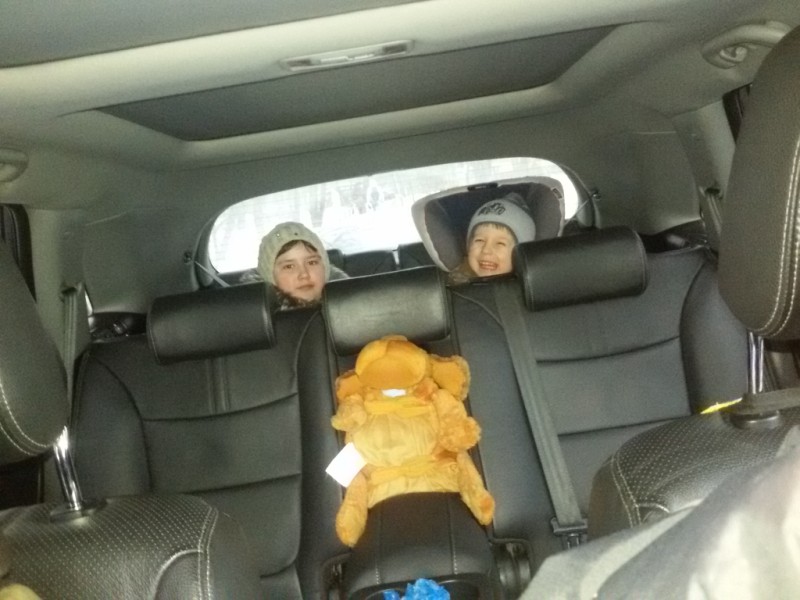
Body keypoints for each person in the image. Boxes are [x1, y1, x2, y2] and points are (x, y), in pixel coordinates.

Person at [254, 221, 347, 310]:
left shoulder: (348, 308)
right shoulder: (258, 320)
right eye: (289, 266)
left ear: (325, 268)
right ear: (270, 276)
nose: (304, 274)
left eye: (311, 262)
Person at [449, 193, 537, 284]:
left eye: (500, 243)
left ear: (521, 254)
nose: (486, 250)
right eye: (479, 240)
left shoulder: (530, 289)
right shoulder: (456, 282)